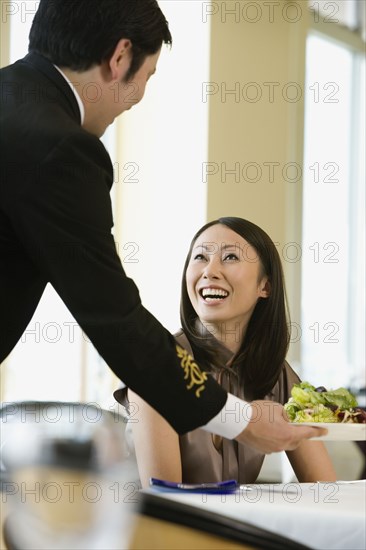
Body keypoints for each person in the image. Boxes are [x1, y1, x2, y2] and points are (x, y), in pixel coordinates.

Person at [0, 0, 325, 451]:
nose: (138, 98)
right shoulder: (59, 147)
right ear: (120, 58)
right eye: (147, 76)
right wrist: (240, 420)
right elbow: (115, 316)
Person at [115, 217, 337, 486]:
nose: (210, 271)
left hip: (224, 526)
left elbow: (323, 488)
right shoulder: (159, 365)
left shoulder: (277, 375)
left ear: (264, 286)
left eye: (230, 257)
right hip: (155, 526)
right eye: (200, 257)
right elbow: (168, 500)